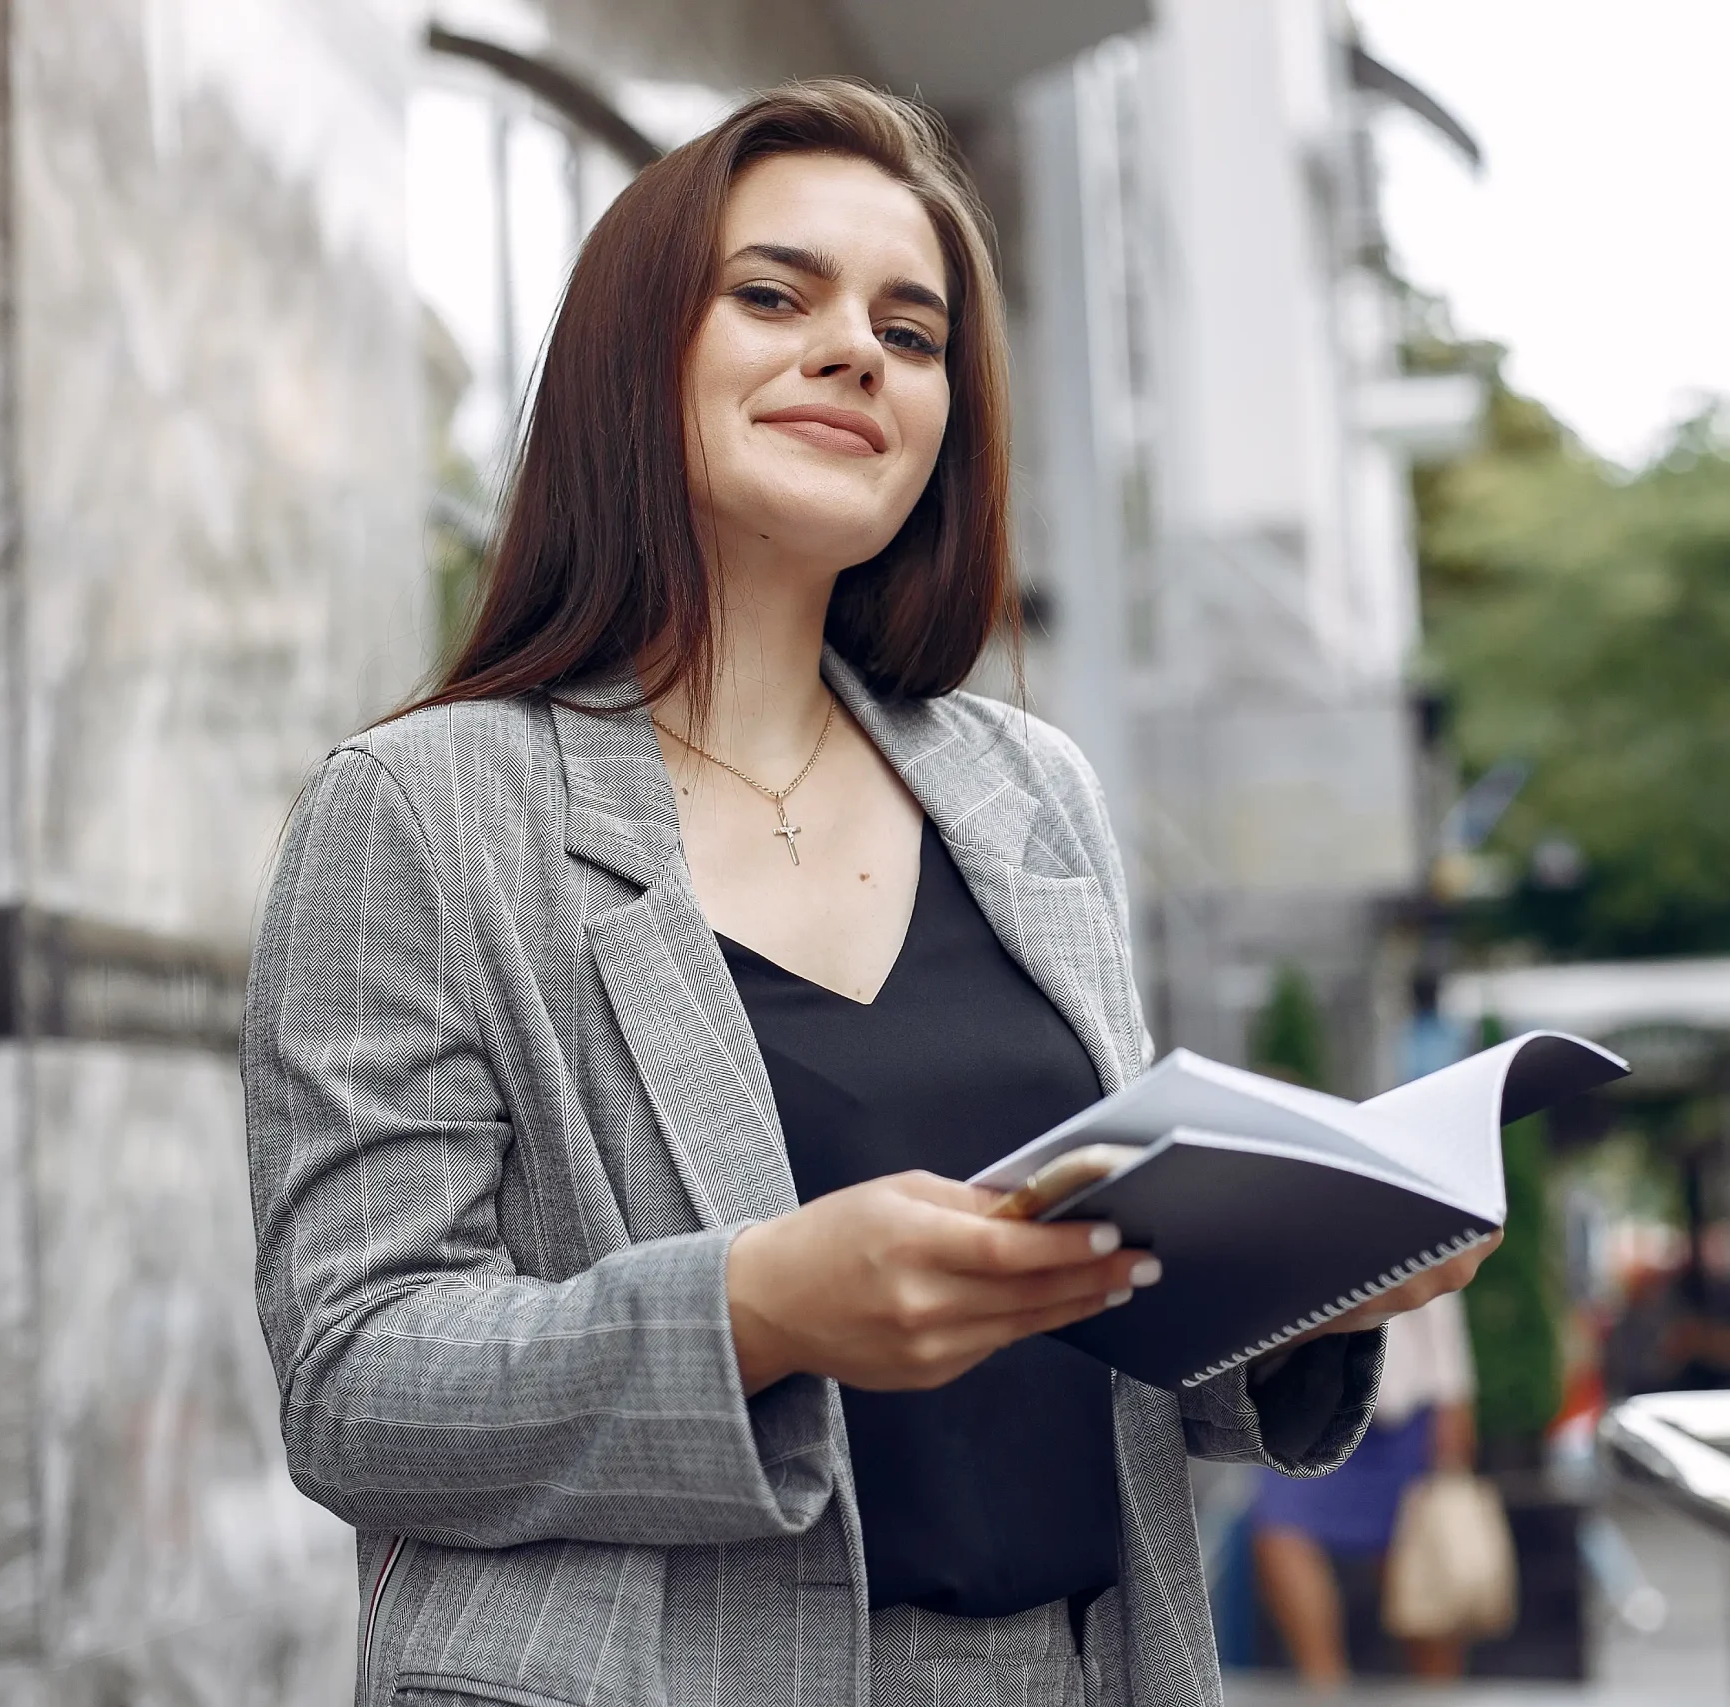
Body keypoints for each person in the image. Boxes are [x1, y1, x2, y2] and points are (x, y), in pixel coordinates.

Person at [239, 82, 1494, 1707]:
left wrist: (1318, 1268)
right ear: (635, 356)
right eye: (775, 295)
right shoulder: (423, 810)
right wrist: (754, 1311)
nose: (857, 351)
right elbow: (357, 1383)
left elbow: (1098, 1333)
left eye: (914, 334)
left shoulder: (1028, 793)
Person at [1249, 1289, 1480, 1683]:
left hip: (1404, 1413)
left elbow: (1440, 1298)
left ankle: (1438, 1693)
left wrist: (1453, 1407)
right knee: (1279, 1531)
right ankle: (1325, 1687)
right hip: (1305, 1402)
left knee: (1421, 1569)